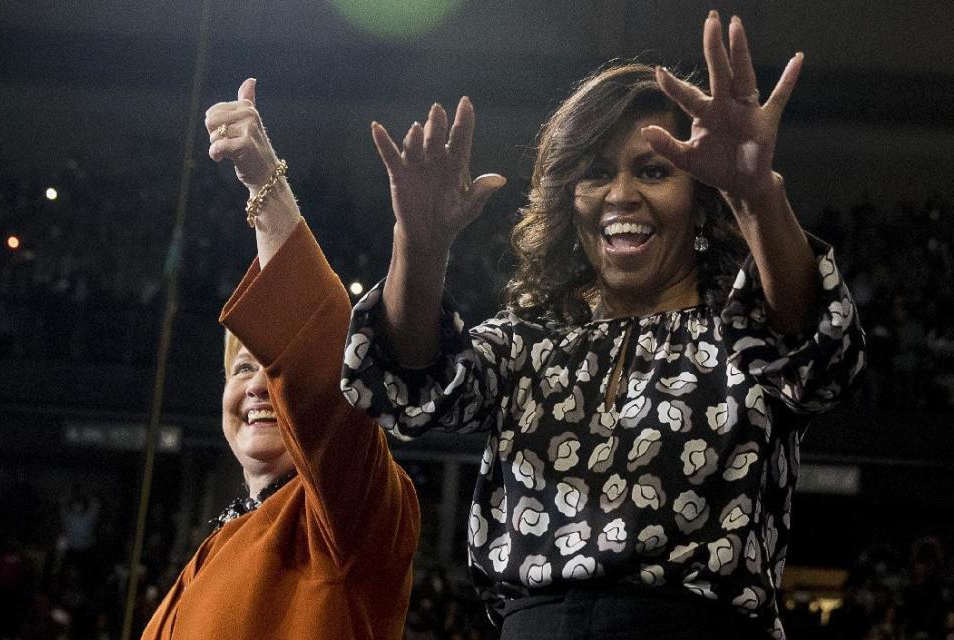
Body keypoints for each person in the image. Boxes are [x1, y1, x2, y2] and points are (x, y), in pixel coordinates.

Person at [341, 12, 865, 640]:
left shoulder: (742, 337)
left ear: (700, 198)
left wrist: (754, 191)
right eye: (595, 172)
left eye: (652, 170)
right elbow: (412, 391)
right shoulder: (529, 341)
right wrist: (419, 245)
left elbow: (818, 349)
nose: (620, 194)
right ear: (569, 199)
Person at [142, 78, 420, 640]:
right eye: (243, 368)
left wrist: (264, 188)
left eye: (276, 369)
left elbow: (321, 372)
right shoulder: (221, 543)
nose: (259, 387)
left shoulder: (352, 517)